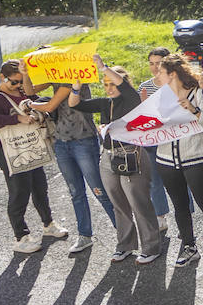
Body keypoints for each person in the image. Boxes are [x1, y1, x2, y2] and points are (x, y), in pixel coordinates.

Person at [70, 57, 164, 264]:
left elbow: (123, 85)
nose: (109, 88)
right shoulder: (105, 103)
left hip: (132, 154)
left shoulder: (132, 99)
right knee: (118, 203)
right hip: (108, 157)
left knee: (138, 203)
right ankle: (125, 246)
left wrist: (103, 68)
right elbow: (74, 104)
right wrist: (76, 86)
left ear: (122, 83)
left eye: (112, 83)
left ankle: (151, 247)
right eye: (105, 84)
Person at [152, 56, 203, 269]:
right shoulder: (159, 97)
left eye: (160, 71)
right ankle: (189, 247)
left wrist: (193, 110)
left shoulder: (198, 92)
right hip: (166, 160)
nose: (156, 75)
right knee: (179, 206)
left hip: (196, 157)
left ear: (172, 74)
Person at [0, 61, 69, 252]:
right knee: (19, 192)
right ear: (2, 77)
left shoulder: (24, 92)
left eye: (20, 82)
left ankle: (48, 224)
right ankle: (21, 237)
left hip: (31, 146)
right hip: (10, 152)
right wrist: (17, 118)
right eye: (14, 82)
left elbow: (40, 102)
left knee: (40, 187)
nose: (18, 86)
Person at [41, 75, 114, 254]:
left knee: (99, 190)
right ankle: (84, 236)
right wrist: (26, 74)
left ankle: (126, 231)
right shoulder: (52, 78)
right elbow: (29, 90)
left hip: (84, 141)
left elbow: (50, 106)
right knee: (76, 193)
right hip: (61, 142)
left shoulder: (76, 75)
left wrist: (29, 105)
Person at [137, 47, 173, 233]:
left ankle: (187, 215)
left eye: (158, 63)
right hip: (152, 142)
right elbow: (139, 118)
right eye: (151, 63)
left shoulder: (175, 84)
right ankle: (160, 217)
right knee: (154, 181)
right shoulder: (144, 87)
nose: (154, 67)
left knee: (179, 180)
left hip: (174, 139)